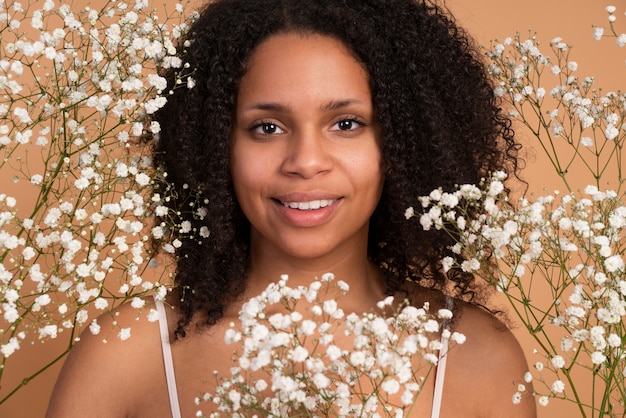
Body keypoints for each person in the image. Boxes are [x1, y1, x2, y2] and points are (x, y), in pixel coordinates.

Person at [47, 0, 536, 416]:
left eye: (346, 124)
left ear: (406, 145)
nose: (305, 163)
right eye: (267, 127)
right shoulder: (127, 355)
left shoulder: (478, 358)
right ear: (217, 148)